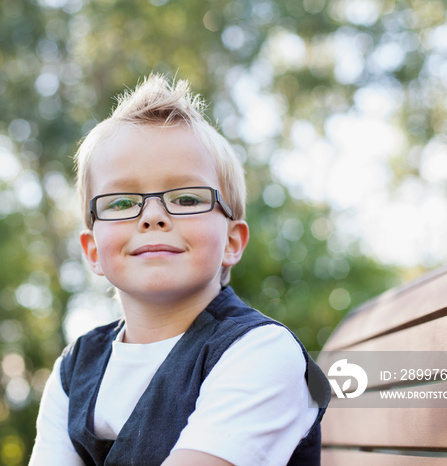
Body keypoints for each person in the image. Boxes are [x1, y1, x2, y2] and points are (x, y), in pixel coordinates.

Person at [29, 74, 330, 466]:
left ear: (232, 242)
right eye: (120, 203)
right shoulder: (74, 370)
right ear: (92, 251)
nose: (152, 216)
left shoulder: (262, 353)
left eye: (186, 198)